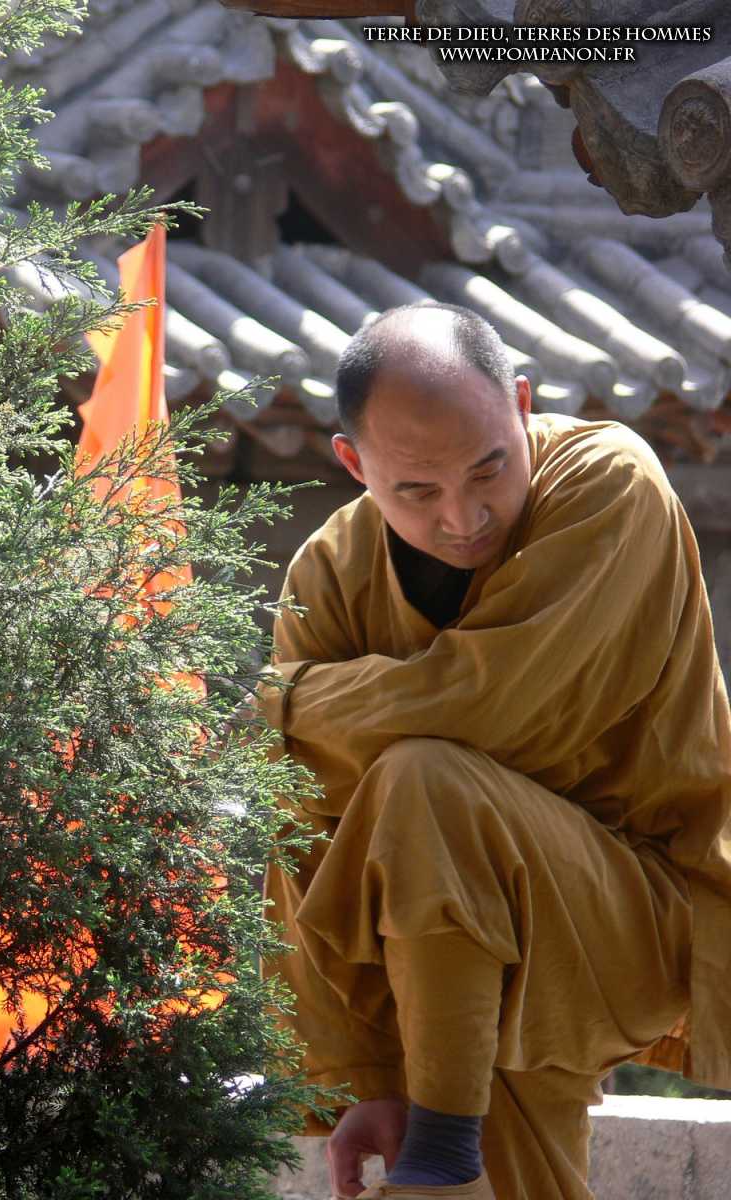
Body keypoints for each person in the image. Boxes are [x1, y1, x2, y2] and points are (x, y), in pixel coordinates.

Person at [260, 302, 731, 1199]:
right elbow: (302, 818)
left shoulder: (607, 484)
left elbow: (495, 708)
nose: (465, 516)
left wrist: (287, 702)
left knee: (424, 779)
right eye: (418, 491)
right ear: (355, 466)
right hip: (447, 957)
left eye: (489, 468)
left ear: (520, 404)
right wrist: (369, 1072)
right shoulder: (330, 572)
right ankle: (446, 1143)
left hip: (638, 907)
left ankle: (443, 1146)